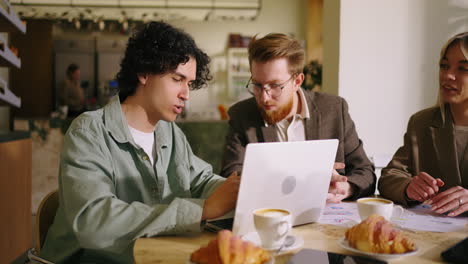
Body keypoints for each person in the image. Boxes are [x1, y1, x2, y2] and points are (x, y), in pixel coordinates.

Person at [40, 21, 240, 263]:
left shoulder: (170, 132)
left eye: (189, 83)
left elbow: (200, 180)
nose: (186, 94)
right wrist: (202, 210)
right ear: (144, 72)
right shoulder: (89, 131)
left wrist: (240, 191)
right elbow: (93, 221)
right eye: (177, 79)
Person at [221, 33, 376, 202]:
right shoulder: (241, 114)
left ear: (297, 81)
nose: (264, 97)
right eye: (258, 85)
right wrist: (303, 172)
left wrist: (345, 188)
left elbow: (366, 173)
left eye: (275, 86)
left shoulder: (334, 110)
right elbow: (231, 176)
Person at [378, 32, 468, 216]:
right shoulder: (422, 122)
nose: (448, 75)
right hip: (436, 237)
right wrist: (408, 187)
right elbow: (389, 177)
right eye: (444, 66)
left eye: (463, 69)